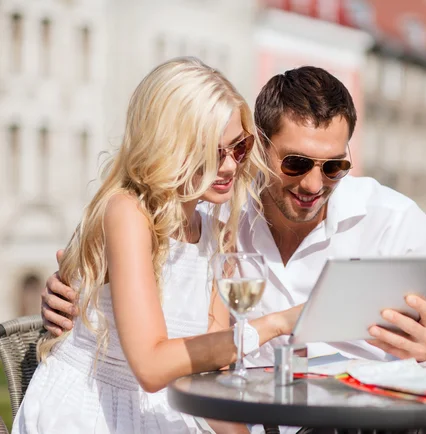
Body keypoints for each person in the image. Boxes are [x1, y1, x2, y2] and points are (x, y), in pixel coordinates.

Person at [42, 66, 426, 433]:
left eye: (335, 167)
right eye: (296, 163)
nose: (313, 184)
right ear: (265, 147)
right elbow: (163, 335)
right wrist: (74, 296)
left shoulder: (392, 221)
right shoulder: (224, 216)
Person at [14, 57, 300, 434]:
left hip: (169, 408)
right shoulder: (128, 213)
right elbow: (150, 368)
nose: (230, 166)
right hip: (94, 411)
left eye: (239, 147)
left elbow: (208, 373)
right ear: (170, 147)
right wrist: (277, 324)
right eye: (213, 152)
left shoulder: (216, 232)